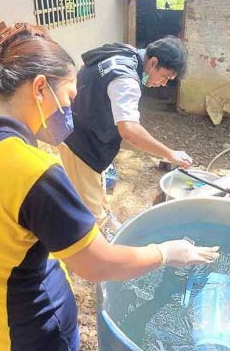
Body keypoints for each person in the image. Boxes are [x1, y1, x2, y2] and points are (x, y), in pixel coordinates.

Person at [0, 22, 219, 351]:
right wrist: (167, 251)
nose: (70, 112)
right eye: (68, 97)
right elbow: (97, 265)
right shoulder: (35, 172)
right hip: (29, 341)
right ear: (39, 89)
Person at [58, 36, 192, 236]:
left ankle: (107, 220)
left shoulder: (126, 54)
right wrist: (169, 153)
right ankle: (103, 244)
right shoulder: (126, 79)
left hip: (86, 128)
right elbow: (129, 131)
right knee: (89, 208)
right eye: (164, 77)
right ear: (153, 62)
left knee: (98, 187)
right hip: (79, 143)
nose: (163, 84)